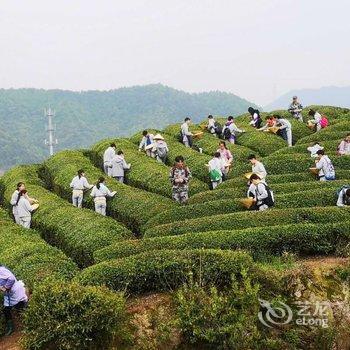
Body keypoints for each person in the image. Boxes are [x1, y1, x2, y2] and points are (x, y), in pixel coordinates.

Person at [0, 265, 28, 336]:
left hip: (15, 291)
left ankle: (27, 325)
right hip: (9, 294)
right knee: (6, 310)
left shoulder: (1, 270)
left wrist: (6, 288)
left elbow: (11, 279)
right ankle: (11, 327)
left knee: (19, 308)